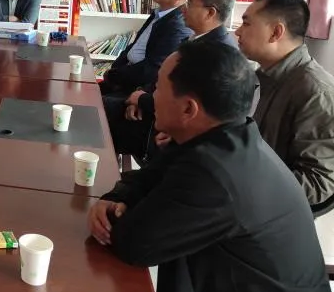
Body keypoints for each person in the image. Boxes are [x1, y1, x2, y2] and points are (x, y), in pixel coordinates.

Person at [88, 41, 329, 292]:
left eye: (158, 87)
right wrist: (116, 197)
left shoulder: (215, 171)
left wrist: (111, 216)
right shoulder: (226, 136)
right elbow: (148, 176)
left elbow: (134, 244)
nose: (152, 96)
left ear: (188, 109)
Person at [108, 0, 238, 162]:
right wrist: (139, 95)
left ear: (210, 12)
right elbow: (162, 80)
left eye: (190, 3)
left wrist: (141, 100)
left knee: (100, 114)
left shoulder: (217, 54)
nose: (183, 8)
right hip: (153, 110)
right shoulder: (197, 40)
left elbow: (187, 104)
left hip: (165, 129)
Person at [234, 0, 334, 214]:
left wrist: (242, 182)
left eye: (246, 24)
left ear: (276, 32)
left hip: (268, 212)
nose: (238, 31)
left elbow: (317, 185)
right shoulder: (262, 77)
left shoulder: (316, 92)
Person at [99, 0, 194, 96]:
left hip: (139, 90)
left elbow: (152, 70)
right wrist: (114, 71)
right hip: (124, 78)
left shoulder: (178, 26)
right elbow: (134, 47)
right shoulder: (159, 14)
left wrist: (114, 76)